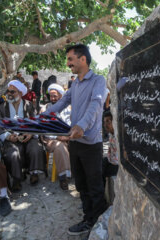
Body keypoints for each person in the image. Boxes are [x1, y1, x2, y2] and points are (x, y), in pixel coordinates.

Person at [42, 44, 107, 237]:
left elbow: (96, 104)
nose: (68, 63)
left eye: (71, 59)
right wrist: (44, 116)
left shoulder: (98, 80)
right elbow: (62, 103)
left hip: (91, 143)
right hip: (75, 143)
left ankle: (100, 222)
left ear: (83, 59)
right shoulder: (75, 84)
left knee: (94, 185)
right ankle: (89, 219)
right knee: (81, 185)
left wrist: (82, 126)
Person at [0, 80, 45, 192]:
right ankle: (17, 179)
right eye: (8, 91)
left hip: (28, 135)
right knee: (13, 153)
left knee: (35, 148)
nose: (9, 94)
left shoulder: (29, 105)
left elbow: (36, 122)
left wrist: (31, 134)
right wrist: (7, 136)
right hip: (11, 138)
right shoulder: (2, 107)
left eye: (13, 91)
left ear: (20, 93)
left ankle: (33, 173)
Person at [42, 83, 71, 190]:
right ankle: (63, 177)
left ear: (60, 96)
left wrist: (68, 136)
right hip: (52, 139)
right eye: (51, 96)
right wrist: (58, 137)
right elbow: (44, 129)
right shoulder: (46, 109)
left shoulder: (68, 108)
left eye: (55, 96)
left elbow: (71, 124)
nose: (53, 98)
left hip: (68, 137)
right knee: (60, 146)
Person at [102, 111, 118, 186]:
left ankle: (99, 195)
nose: (105, 125)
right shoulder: (110, 134)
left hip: (116, 165)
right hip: (109, 161)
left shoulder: (118, 136)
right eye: (104, 122)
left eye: (108, 121)